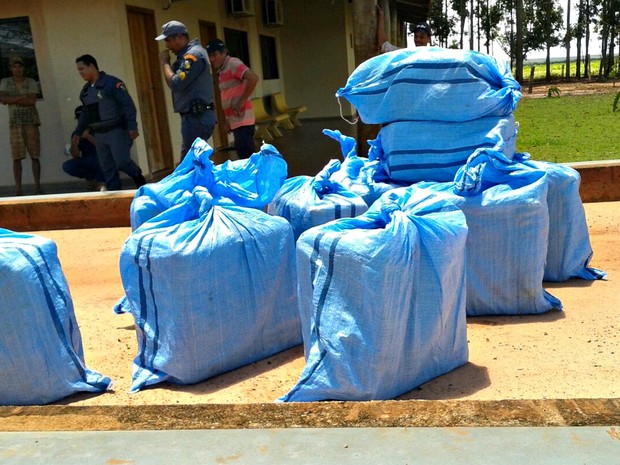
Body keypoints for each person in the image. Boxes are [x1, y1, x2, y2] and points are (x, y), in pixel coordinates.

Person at [72, 54, 146, 191]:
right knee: (107, 167)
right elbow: (85, 113)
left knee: (122, 161)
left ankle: (139, 180)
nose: (80, 73)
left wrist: (132, 126)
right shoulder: (86, 92)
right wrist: (78, 131)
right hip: (99, 134)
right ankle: (114, 195)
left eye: (82, 69)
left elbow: (127, 105)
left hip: (116, 130)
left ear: (92, 66)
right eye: (78, 70)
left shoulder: (112, 83)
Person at [156, 20, 216, 160]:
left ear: (179, 37)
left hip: (197, 118)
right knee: (193, 162)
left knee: (190, 164)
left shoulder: (192, 56)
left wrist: (165, 63)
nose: (167, 46)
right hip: (195, 118)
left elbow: (176, 83)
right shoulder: (191, 54)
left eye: (169, 40)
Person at [207, 39, 259, 159]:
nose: (212, 59)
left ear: (224, 52)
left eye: (215, 54)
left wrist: (241, 101)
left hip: (243, 120)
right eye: (210, 55)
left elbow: (253, 78)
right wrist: (227, 120)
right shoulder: (222, 70)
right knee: (243, 156)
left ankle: (254, 178)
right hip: (235, 121)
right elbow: (228, 97)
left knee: (248, 159)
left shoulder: (233, 63)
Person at [0, 56, 42, 196]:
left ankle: (37, 187)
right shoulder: (5, 82)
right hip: (15, 122)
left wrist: (13, 99)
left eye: (20, 66)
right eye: (14, 66)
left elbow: (31, 101)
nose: (17, 69)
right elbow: (3, 99)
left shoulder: (31, 82)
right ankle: (18, 189)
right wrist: (21, 97)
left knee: (35, 155)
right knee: (16, 157)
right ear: (10, 68)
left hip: (31, 121)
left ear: (24, 67)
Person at [63, 105, 106, 191]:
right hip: (86, 158)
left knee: (100, 161)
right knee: (68, 166)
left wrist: (88, 136)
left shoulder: (99, 129)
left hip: (100, 158)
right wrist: (74, 142)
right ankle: (92, 180)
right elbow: (75, 155)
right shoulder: (76, 133)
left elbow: (104, 148)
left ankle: (102, 183)